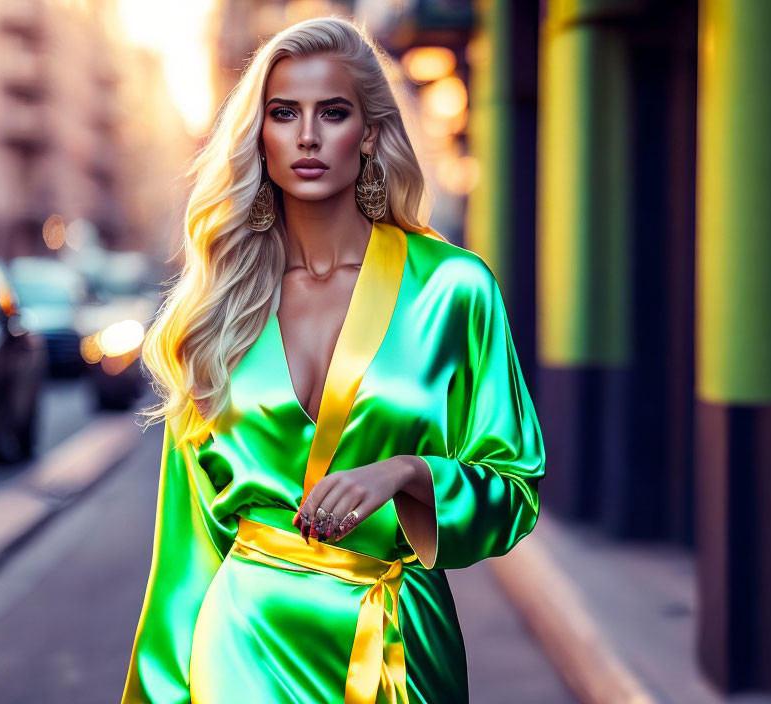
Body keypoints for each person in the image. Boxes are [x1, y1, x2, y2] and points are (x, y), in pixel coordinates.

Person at [120, 15, 545, 704]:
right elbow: (188, 548)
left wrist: (410, 473)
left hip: (399, 639)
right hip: (244, 641)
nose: (308, 136)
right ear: (260, 134)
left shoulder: (452, 289)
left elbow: (515, 491)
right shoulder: (219, 309)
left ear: (370, 131)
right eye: (284, 113)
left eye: (334, 112)